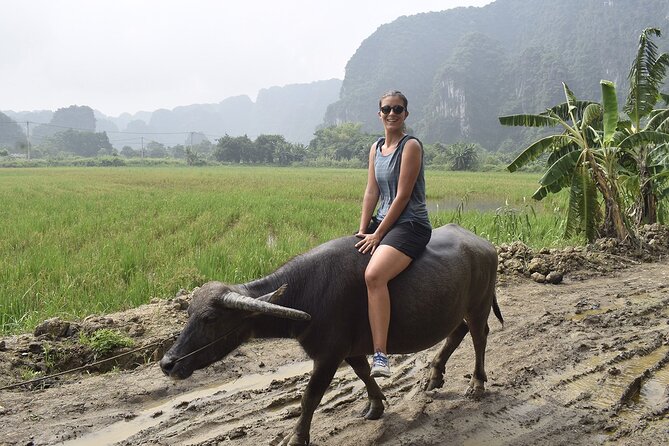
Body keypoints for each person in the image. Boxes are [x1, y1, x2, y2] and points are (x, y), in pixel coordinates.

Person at [355, 90, 432, 378]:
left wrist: (378, 235)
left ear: (405, 115)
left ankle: (380, 355)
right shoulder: (376, 148)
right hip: (381, 221)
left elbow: (402, 197)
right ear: (379, 114)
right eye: (386, 109)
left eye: (397, 109)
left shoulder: (410, 146)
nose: (391, 113)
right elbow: (371, 191)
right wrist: (363, 230)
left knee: (374, 275)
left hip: (409, 224)